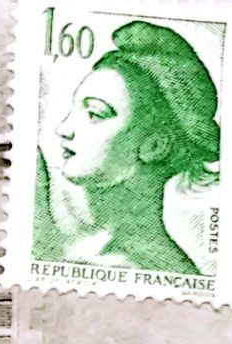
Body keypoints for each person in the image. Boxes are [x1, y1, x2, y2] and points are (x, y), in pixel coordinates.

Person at [35, 20, 220, 274]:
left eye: (94, 113)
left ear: (154, 146)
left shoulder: (160, 272)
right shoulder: (55, 230)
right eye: (74, 110)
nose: (64, 129)